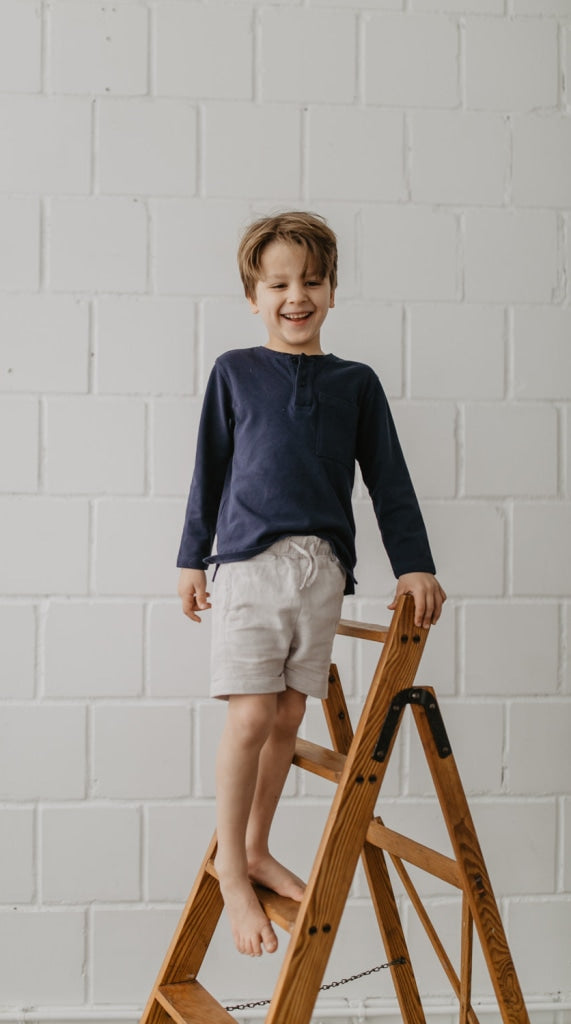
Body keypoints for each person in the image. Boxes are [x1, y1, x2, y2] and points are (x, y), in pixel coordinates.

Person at [176, 211, 446, 959]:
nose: (296, 295)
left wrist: (413, 563)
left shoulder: (356, 384)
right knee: (249, 718)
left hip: (321, 570)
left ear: (331, 290)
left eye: (311, 281)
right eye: (279, 284)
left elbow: (388, 482)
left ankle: (257, 845)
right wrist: (189, 557)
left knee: (288, 715)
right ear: (253, 295)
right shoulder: (234, 371)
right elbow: (209, 471)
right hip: (248, 568)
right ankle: (232, 867)